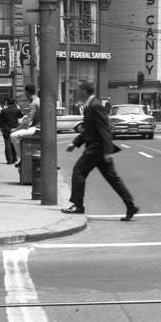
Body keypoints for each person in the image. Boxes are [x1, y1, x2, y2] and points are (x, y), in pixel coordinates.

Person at [61, 79, 139, 221]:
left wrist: (108, 151)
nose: (76, 92)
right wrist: (75, 143)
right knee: (112, 178)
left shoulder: (94, 106)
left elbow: (104, 128)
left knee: (78, 171)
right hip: (99, 148)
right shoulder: (91, 105)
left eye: (78, 90)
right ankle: (130, 205)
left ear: (84, 91)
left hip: (97, 148)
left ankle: (78, 205)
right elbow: (89, 129)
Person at [0, 99, 21, 164]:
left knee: (7, 144)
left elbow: (0, 120)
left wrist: (1, 127)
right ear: (13, 103)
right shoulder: (16, 110)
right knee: (14, 143)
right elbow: (21, 115)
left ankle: (9, 160)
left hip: (6, 129)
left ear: (7, 103)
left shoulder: (3, 111)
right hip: (15, 129)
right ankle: (14, 159)